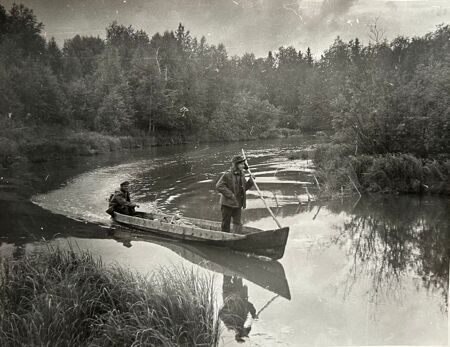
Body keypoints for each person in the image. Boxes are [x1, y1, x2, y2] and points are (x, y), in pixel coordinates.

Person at [216, 155, 254, 233]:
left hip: (238, 204)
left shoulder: (242, 174)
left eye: (244, 164)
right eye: (241, 164)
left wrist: (250, 181)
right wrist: (231, 195)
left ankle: (237, 237)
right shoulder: (227, 174)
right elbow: (219, 186)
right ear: (236, 165)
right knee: (226, 224)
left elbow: (243, 189)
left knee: (237, 223)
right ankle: (225, 238)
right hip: (227, 204)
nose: (243, 166)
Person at [219, 275, 258, 343]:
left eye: (245, 334)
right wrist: (253, 314)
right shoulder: (241, 321)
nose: (246, 333)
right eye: (246, 334)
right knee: (238, 275)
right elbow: (248, 305)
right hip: (239, 291)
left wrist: (229, 302)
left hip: (229, 292)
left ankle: (229, 268)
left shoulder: (230, 325)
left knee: (227, 274)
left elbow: (221, 314)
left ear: (240, 334)